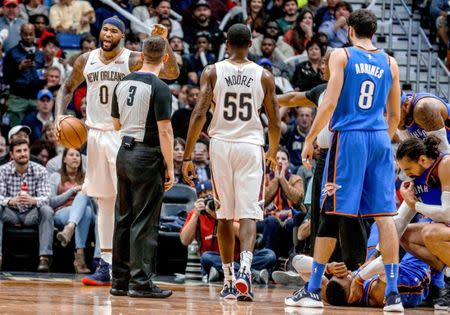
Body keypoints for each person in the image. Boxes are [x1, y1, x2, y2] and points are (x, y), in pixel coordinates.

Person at [290, 9, 402, 312]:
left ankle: (313, 289)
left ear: (350, 30)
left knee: (332, 212)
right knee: (384, 216)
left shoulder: (342, 55)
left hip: (349, 138)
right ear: (374, 32)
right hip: (380, 138)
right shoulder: (390, 62)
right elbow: (395, 116)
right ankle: (393, 294)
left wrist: (311, 138)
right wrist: (379, 137)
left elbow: (330, 101)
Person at [55, 19, 179, 286]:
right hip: (95, 134)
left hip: (123, 133)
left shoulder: (133, 59)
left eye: (113, 30)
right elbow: (66, 87)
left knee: (129, 203)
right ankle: (107, 265)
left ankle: (133, 267)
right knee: (104, 203)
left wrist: (163, 41)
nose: (107, 34)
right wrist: (59, 117)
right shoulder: (85, 60)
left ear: (122, 35)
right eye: (105, 29)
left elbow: (170, 72)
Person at [181, 23, 281, 301]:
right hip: (250, 146)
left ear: (226, 43)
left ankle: (227, 278)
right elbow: (274, 121)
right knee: (248, 213)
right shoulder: (264, 76)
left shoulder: (212, 71)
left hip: (221, 145)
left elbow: (199, 113)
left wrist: (188, 155)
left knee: (224, 214)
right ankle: (246, 271)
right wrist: (272, 152)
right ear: (251, 43)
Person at [110, 35, 174, 299]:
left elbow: (115, 124)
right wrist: (170, 167)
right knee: (144, 221)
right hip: (147, 155)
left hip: (123, 154)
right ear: (166, 58)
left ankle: (119, 282)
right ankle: (140, 283)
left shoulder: (123, 82)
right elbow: (166, 131)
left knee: (123, 218)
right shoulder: (160, 87)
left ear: (141, 55)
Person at [389, 136, 450, 308]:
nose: (406, 175)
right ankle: (448, 275)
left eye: (408, 169)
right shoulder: (416, 178)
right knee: (405, 235)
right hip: (444, 228)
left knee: (430, 233)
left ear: (422, 159)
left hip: (446, 222)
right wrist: (378, 254)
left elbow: (448, 214)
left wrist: (415, 204)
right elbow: (400, 221)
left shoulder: (445, 164)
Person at [180, 189, 277, 284]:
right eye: (204, 197)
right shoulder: (196, 214)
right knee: (206, 258)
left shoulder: (231, 210)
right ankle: (251, 274)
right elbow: (185, 240)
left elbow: (242, 234)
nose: (209, 202)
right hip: (216, 258)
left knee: (269, 255)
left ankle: (223, 273)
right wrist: (195, 215)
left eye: (211, 196)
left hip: (238, 259)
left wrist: (219, 217)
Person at [0, 138, 53, 272]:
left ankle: (44, 258)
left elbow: (46, 197)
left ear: (29, 151)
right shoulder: (3, 170)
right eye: (18, 151)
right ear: (12, 154)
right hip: (10, 212)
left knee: (46, 210)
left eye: (25, 150)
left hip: (31, 213)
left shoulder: (40, 170)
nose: (23, 154)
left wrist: (33, 200)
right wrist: (10, 201)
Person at [49, 148, 94, 274]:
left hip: (87, 213)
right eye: (71, 155)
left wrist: (83, 190)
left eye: (78, 155)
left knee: (85, 200)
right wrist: (72, 191)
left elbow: (95, 203)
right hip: (62, 212)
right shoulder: (55, 176)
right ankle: (80, 257)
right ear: (64, 159)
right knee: (86, 211)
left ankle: (70, 227)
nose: (75, 157)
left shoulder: (87, 177)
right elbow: (51, 202)